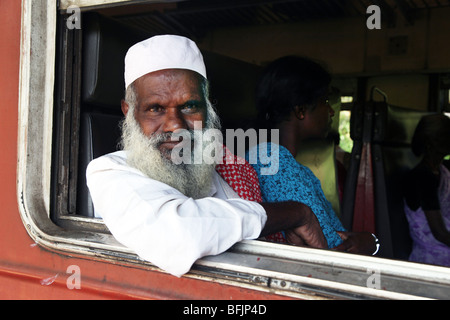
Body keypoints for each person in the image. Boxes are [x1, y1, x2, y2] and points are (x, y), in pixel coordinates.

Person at [86, 35, 327, 277]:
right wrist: (296, 213)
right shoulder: (109, 172)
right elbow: (181, 236)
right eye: (156, 109)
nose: (174, 125)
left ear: (207, 108)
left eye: (189, 106)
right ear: (129, 112)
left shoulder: (222, 173)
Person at [247, 56, 378, 255]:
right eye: (325, 101)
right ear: (300, 110)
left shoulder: (272, 158)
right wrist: (371, 242)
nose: (332, 111)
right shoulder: (276, 163)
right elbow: (332, 248)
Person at [403, 114, 450, 266]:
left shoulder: (442, 171)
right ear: (432, 142)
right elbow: (440, 233)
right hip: (433, 256)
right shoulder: (422, 177)